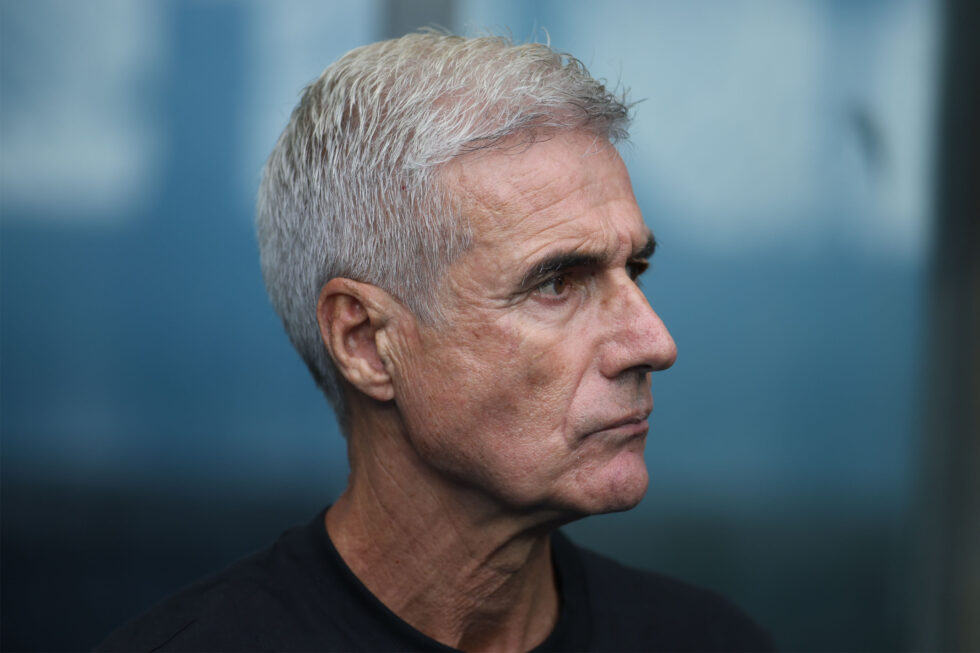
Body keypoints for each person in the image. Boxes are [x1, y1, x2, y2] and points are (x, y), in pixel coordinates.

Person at [98, 32, 773, 652]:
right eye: (557, 283)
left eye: (636, 270)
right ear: (365, 342)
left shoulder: (710, 641)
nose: (654, 342)